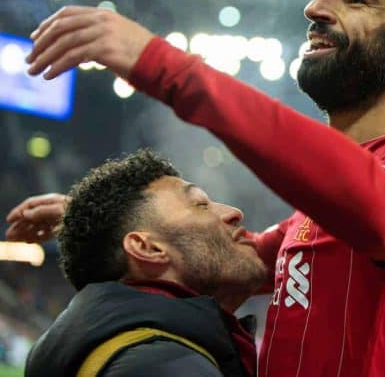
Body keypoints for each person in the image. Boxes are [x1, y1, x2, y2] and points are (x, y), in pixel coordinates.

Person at [10, 0, 385, 375]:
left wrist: (172, 71)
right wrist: (115, 220)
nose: (316, 7)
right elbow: (236, 258)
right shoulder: (312, 217)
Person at [21, 149, 266, 377]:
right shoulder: (164, 366)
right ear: (147, 248)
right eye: (201, 204)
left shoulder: (117, 351)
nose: (235, 213)